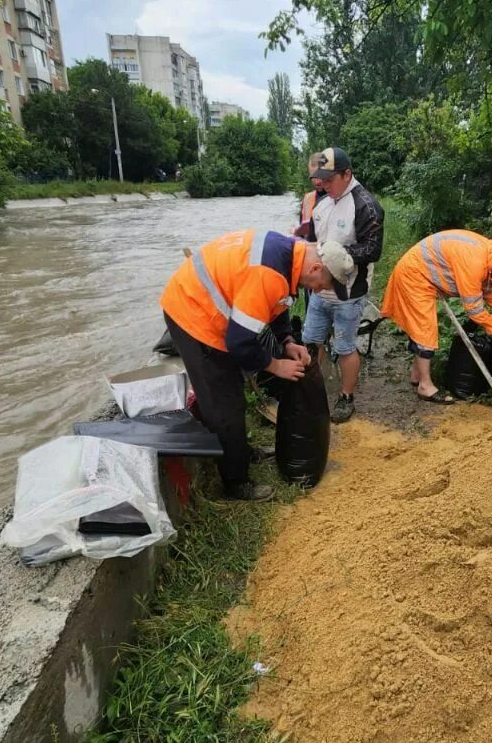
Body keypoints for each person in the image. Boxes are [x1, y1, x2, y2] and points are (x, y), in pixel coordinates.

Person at [160, 230, 334, 501]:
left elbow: (277, 301)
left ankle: (239, 450)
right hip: (193, 315)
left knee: (232, 390)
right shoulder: (269, 273)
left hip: (210, 305)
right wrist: (275, 365)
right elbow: (240, 343)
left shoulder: (294, 254)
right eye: (322, 284)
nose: (319, 290)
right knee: (224, 405)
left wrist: (287, 340)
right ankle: (235, 484)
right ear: (315, 267)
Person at [381, 230, 492, 404]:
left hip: (421, 271)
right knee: (425, 328)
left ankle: (417, 374)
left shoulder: (489, 256)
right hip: (414, 275)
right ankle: (425, 386)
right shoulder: (474, 262)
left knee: (422, 328)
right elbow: (473, 308)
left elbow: (488, 287)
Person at [301, 147, 385, 424]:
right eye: (321, 179)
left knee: (345, 346)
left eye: (329, 179)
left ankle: (346, 396)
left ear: (347, 174)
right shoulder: (322, 204)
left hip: (349, 293)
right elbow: (313, 242)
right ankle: (315, 389)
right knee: (311, 341)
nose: (324, 184)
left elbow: (373, 249)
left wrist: (340, 254)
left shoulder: (366, 205)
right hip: (318, 290)